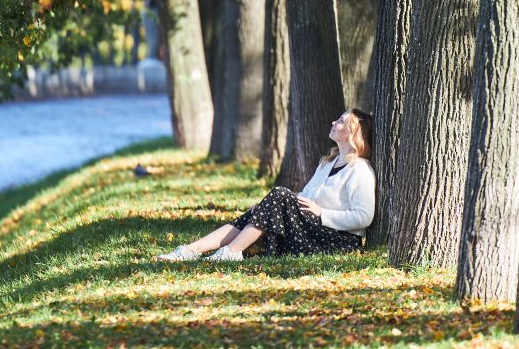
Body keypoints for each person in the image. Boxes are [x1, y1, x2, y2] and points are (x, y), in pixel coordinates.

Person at [160, 108, 377, 261]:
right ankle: (191, 250)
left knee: (279, 194)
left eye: (340, 121)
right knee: (261, 208)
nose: (333, 122)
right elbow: (304, 196)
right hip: (312, 229)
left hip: (336, 240)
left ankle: (232, 251)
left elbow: (363, 217)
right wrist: (267, 206)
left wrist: (322, 213)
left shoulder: (360, 170)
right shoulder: (327, 163)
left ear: (353, 131)